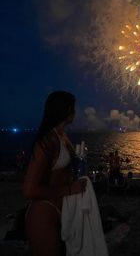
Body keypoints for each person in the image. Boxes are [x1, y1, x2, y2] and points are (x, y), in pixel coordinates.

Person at [23, 91, 87, 256]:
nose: (75, 112)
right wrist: (69, 189)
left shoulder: (62, 136)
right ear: (65, 110)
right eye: (73, 108)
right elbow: (29, 190)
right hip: (45, 212)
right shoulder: (48, 140)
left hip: (61, 209)